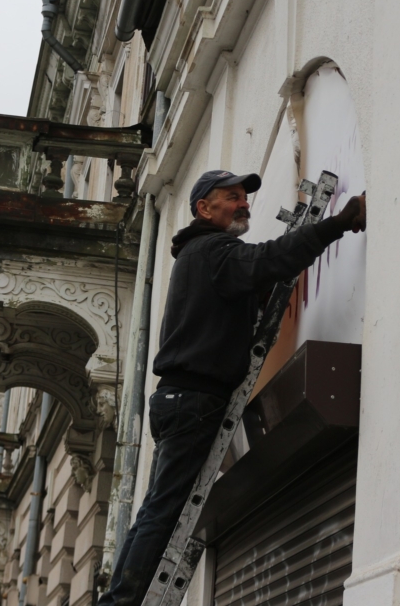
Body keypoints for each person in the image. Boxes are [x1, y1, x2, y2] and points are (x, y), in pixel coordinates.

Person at [97, 169, 366, 605]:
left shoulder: (197, 258)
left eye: (245, 197)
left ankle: (121, 599)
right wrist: (341, 220)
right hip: (193, 401)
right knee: (163, 512)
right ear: (204, 208)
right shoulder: (215, 250)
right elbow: (267, 261)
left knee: (157, 510)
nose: (244, 203)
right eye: (231, 197)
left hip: (178, 400)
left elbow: (247, 283)